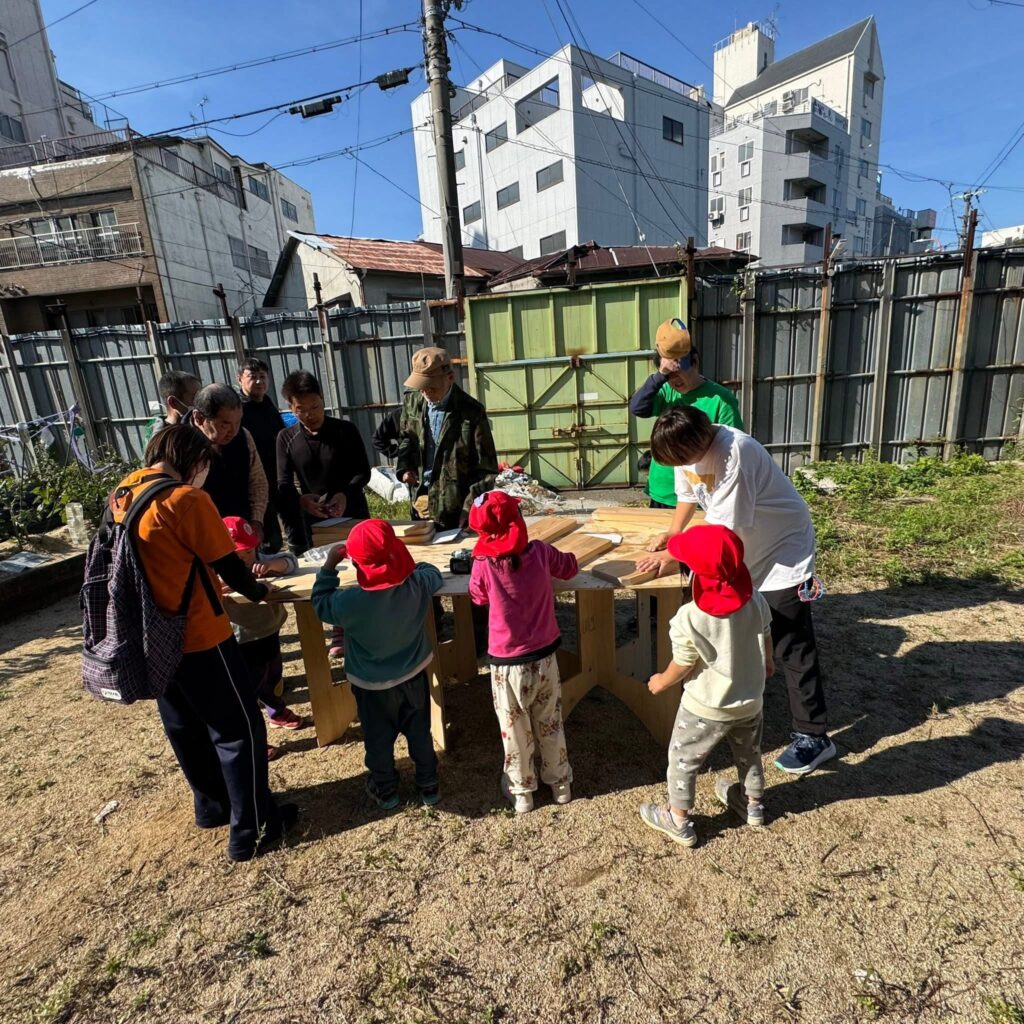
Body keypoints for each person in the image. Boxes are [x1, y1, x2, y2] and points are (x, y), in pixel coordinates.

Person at [112, 424, 297, 862]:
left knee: (185, 726)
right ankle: (253, 828)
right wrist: (261, 591)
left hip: (154, 633)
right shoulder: (186, 500)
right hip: (200, 633)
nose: (204, 475)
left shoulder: (124, 492)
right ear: (194, 460)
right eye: (204, 466)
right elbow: (229, 567)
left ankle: (213, 807)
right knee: (239, 728)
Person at [635, 408, 836, 775]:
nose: (681, 465)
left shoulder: (735, 452)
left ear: (699, 441)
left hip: (782, 549)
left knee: (790, 639)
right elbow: (688, 495)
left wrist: (674, 555)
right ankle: (740, 694)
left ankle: (814, 735)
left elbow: (721, 533)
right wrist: (674, 534)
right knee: (740, 625)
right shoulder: (686, 446)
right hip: (739, 547)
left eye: (683, 459)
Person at [639, 525, 773, 849]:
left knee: (683, 758)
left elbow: (683, 664)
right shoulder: (756, 599)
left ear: (693, 574)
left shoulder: (689, 617)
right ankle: (752, 803)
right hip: (750, 700)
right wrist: (768, 664)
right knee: (749, 753)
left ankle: (677, 818)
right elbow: (767, 636)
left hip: (704, 706)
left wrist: (660, 681)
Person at [311, 520, 444, 809]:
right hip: (413, 676)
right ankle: (429, 783)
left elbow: (320, 602)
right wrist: (413, 567)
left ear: (355, 563)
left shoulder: (349, 602)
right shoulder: (417, 585)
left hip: (370, 686)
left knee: (378, 740)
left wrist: (329, 567)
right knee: (420, 733)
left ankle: (386, 790)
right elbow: (432, 573)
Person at [468, 490, 578, 814]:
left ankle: (522, 792)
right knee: (550, 722)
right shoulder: (541, 552)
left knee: (514, 730)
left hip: (507, 664)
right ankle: (560, 783)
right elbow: (569, 567)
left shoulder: (484, 564)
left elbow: (477, 596)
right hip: (545, 657)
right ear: (519, 522)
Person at [629, 318, 743, 509]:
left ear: (695, 362)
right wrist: (660, 376)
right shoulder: (666, 391)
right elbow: (638, 408)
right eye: (669, 375)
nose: (675, 380)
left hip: (699, 493)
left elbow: (733, 451)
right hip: (662, 490)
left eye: (678, 372)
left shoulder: (721, 400)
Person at [220, 516, 306, 756]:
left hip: (269, 629)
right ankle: (255, 739)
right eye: (237, 555)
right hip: (242, 638)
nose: (245, 558)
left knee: (273, 676)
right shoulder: (217, 571)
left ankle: (276, 710)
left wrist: (272, 566)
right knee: (249, 687)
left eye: (248, 552)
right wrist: (224, 585)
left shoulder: (260, 560)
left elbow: (291, 562)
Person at [396, 347, 498, 529]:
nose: (425, 392)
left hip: (456, 509)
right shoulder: (412, 402)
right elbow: (406, 439)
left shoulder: (471, 411)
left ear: (450, 378)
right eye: (421, 386)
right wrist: (404, 468)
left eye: (431, 387)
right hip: (420, 502)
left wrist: (470, 508)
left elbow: (486, 469)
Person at [276, 370, 371, 552]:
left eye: (315, 406)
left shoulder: (346, 430)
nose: (310, 415)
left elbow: (363, 472)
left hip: (353, 511)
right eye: (301, 409)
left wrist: (345, 494)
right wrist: (301, 500)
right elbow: (283, 482)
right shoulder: (286, 438)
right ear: (291, 407)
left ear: (322, 398)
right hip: (316, 519)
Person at [190, 384, 268, 541]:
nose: (234, 431)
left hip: (241, 531)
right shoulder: (180, 444)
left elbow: (258, 482)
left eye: (238, 422)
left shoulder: (243, 437)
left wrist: (256, 520)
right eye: (225, 424)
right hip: (203, 535)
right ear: (199, 418)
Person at [237, 358, 286, 552]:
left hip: (277, 475)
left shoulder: (267, 403)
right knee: (266, 532)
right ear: (240, 379)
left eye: (262, 376)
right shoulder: (239, 409)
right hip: (256, 479)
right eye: (252, 377)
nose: (259, 381)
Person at [144, 369, 201, 441]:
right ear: (173, 402)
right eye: (194, 397)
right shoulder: (163, 440)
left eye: (201, 396)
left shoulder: (197, 426)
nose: (200, 402)